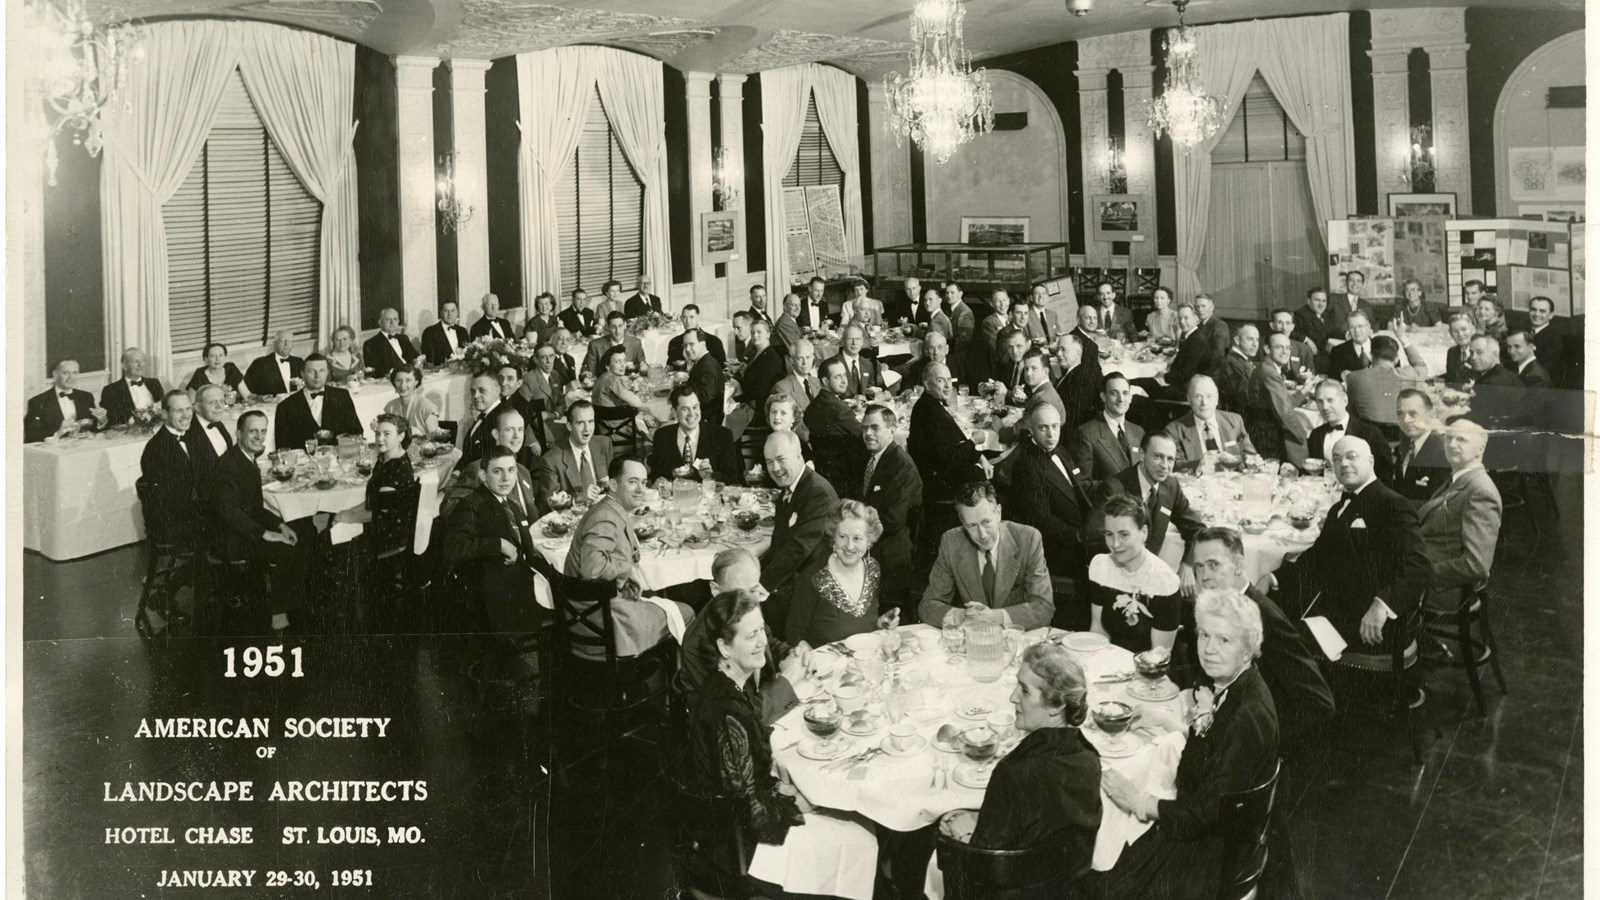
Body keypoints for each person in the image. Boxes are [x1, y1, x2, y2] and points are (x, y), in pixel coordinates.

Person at [1101, 590, 1279, 900]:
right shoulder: (1242, 686)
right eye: (1205, 635)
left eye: (1224, 640)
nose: (1209, 649)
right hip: (1220, 833)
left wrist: (1137, 801)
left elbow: (1204, 813)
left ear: (1248, 649)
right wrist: (1171, 723)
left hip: (1211, 855)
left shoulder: (1245, 716)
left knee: (1103, 881)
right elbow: (1221, 754)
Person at [939, 643, 1100, 869]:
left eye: (1024, 690)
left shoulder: (1015, 771)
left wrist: (964, 830)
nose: (1013, 697)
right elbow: (1037, 824)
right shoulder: (1087, 755)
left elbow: (987, 864)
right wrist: (980, 817)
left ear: (1056, 705)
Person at [1264, 436, 1427, 652]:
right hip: (1337, 609)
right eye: (1337, 459)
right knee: (1262, 620)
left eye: (1352, 457)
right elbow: (1316, 557)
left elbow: (1418, 566)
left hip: (1372, 624)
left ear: (1370, 461)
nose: (1344, 464)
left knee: (1273, 639)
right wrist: (1272, 577)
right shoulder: (1338, 508)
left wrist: (1382, 605)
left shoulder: (1393, 505)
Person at [1186, 528, 1333, 755]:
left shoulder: (1267, 619)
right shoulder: (1216, 610)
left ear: (1239, 565)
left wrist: (1260, 743)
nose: (1204, 576)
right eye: (1198, 566)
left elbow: (1319, 704)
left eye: (1214, 564)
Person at [565, 457, 694, 656]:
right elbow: (593, 569)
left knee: (659, 602)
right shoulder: (605, 516)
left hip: (592, 613)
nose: (641, 489)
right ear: (613, 485)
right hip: (601, 621)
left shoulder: (612, 509)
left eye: (643, 482)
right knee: (686, 613)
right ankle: (673, 682)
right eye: (633, 482)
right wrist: (628, 569)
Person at [675, 550, 808, 725]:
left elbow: (770, 645)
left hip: (764, 708)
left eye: (753, 591)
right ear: (715, 590)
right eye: (737, 593)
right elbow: (738, 716)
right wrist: (786, 683)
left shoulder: (748, 609)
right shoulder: (699, 644)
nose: (747, 603)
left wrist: (792, 656)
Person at [212, 410, 315, 633]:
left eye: (263, 431)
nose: (259, 437)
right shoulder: (228, 465)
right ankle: (279, 615)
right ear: (238, 434)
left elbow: (256, 509)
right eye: (253, 431)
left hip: (244, 527)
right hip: (232, 537)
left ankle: (296, 604)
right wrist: (265, 533)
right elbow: (229, 512)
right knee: (288, 550)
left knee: (304, 532)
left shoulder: (247, 459)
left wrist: (280, 525)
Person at [918, 481, 1054, 630]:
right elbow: (928, 605)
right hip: (972, 641)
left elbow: (1044, 607)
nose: (982, 534)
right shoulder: (951, 541)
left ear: (998, 513)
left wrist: (996, 617)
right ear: (962, 523)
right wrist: (960, 616)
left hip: (1015, 639)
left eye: (986, 522)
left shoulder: (1028, 539)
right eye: (972, 526)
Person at [442, 444, 544, 637]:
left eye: (511, 470)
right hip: (494, 597)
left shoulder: (510, 503)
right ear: (482, 475)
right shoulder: (471, 505)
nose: (506, 478)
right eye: (497, 471)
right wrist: (498, 544)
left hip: (512, 583)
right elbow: (453, 549)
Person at [1005, 403, 1094, 625]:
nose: (1051, 433)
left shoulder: (1061, 451)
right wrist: (1079, 537)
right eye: (1043, 428)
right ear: (1031, 429)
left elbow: (1078, 491)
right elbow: (1041, 521)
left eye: (1055, 426)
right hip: (1056, 547)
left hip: (1079, 534)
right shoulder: (1026, 466)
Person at [1416, 421, 1501, 615]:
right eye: (1449, 437)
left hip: (1439, 591)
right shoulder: (1461, 479)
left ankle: (1410, 643)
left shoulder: (1480, 491)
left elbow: (1476, 565)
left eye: (1461, 439)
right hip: (1422, 573)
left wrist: (1420, 575)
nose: (1452, 444)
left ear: (1480, 448)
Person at [784, 501, 894, 646]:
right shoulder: (813, 579)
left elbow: (861, 624)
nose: (849, 546)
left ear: (869, 541)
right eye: (842, 536)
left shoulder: (873, 569)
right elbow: (793, 636)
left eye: (857, 538)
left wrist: (879, 624)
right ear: (833, 537)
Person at [1086, 494, 1181, 653]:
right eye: (1109, 534)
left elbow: (1159, 656)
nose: (1115, 544)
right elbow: (1098, 629)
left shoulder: (1164, 581)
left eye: (1124, 534)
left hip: (1148, 670)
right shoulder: (1099, 566)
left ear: (1143, 532)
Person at [757, 431, 838, 615]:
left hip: (812, 589)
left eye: (780, 459)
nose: (775, 468)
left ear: (798, 455)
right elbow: (780, 545)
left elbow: (799, 547)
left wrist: (762, 585)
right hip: (794, 578)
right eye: (769, 462)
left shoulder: (817, 493)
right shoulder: (792, 487)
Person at [856, 404, 922, 617]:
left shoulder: (901, 466)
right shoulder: (874, 457)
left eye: (875, 428)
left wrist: (857, 535)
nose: (867, 433)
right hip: (874, 541)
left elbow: (893, 520)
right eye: (865, 428)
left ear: (892, 431)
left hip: (889, 552)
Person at [906, 364, 986, 519]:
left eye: (949, 380)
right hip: (938, 483)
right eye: (941, 381)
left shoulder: (930, 404)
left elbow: (956, 439)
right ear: (927, 385)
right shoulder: (929, 412)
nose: (948, 385)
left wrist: (979, 457)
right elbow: (948, 460)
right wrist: (974, 441)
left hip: (940, 472)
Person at [331, 413, 418, 552]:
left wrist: (348, 517)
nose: (380, 439)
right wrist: (346, 513)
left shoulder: (396, 467)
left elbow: (380, 514)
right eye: (377, 434)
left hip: (387, 536)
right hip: (382, 526)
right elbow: (374, 501)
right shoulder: (385, 459)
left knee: (328, 543)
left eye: (387, 434)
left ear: (401, 436)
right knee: (332, 527)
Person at [1110, 431, 1205, 557]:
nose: (1164, 466)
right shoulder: (1115, 488)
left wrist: (1187, 565)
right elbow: (1095, 539)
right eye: (1158, 457)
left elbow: (1197, 529)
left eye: (1170, 459)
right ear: (1142, 455)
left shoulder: (1171, 486)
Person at [140, 390, 205, 554]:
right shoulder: (156, 449)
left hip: (191, 513)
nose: (186, 415)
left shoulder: (192, 437)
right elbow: (169, 500)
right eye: (179, 410)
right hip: (173, 523)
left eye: (188, 409)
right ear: (164, 413)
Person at [1162, 375, 1257, 471]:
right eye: (1198, 397)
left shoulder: (1235, 421)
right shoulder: (1174, 430)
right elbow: (1173, 464)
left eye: (1209, 396)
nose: (1204, 403)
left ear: (1217, 399)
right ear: (1189, 400)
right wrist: (1198, 464)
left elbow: (1250, 454)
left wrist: (1248, 461)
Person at [1306, 379, 1393, 483]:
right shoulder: (1316, 434)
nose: (1325, 407)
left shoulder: (1369, 433)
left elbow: (1384, 476)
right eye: (1320, 401)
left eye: (1330, 400)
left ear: (1345, 400)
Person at [1245, 332, 1312, 468]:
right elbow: (1285, 412)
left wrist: (1304, 390)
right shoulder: (1270, 373)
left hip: (1262, 430)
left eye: (1288, 348)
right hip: (1268, 435)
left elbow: (1283, 402)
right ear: (1267, 349)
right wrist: (1303, 436)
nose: (1285, 351)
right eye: (1279, 347)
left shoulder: (1267, 368)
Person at [649, 386, 740, 484]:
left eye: (695, 407)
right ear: (674, 412)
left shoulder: (722, 435)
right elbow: (656, 475)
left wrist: (711, 476)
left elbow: (732, 477)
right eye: (685, 409)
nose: (692, 414)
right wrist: (672, 475)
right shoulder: (662, 436)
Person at [274, 354, 363, 451]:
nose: (317, 376)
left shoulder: (342, 396)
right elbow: (282, 449)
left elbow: (357, 432)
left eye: (322, 370)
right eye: (311, 371)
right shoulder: (285, 407)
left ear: (328, 372)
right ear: (302, 374)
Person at [803, 356, 866, 490]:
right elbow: (864, 434)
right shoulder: (839, 409)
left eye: (844, 375)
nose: (844, 381)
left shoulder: (812, 406)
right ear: (825, 381)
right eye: (837, 377)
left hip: (823, 471)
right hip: (847, 475)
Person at [1346, 335, 1428, 432]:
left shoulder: (1353, 377)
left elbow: (1351, 412)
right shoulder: (1410, 374)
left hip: (1369, 435)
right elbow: (1420, 365)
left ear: (1371, 356)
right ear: (1397, 358)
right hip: (1403, 434)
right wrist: (1404, 339)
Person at [539, 399, 612, 507]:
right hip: (572, 517)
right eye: (580, 423)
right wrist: (578, 498)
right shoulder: (551, 460)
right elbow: (549, 501)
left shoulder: (604, 444)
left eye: (590, 421)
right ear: (569, 426)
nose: (587, 429)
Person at [1073, 372, 1144, 480]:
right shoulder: (1086, 434)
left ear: (1130, 397)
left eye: (1125, 393)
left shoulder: (1138, 431)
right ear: (1103, 396)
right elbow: (1083, 484)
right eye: (1114, 393)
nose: (1121, 399)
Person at [1139, 304, 1211, 402]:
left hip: (1187, 390)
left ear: (1196, 319)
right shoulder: (1188, 336)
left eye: (1186, 318)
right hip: (1180, 383)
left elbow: (1185, 374)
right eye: (1180, 318)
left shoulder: (1198, 341)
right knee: (1141, 381)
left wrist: (1164, 376)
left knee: (1140, 389)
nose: (1182, 322)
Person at [993, 348, 1065, 444]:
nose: (1028, 373)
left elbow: (1020, 431)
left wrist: (1001, 429)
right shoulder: (1046, 390)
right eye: (1026, 369)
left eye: (1034, 368)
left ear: (1046, 372)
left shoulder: (1041, 397)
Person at [1392, 388, 1451, 503]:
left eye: (1413, 413)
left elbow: (1442, 504)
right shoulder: (1406, 444)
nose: (1405, 420)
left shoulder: (1442, 452)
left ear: (1431, 414)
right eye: (1400, 413)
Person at [99, 348, 163, 426]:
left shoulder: (154, 383)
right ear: (124, 365)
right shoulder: (111, 390)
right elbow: (111, 420)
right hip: (131, 434)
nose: (140, 365)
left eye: (142, 361)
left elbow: (164, 407)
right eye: (136, 361)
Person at [770, 339, 820, 438]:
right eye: (800, 358)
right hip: (801, 438)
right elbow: (791, 425)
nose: (805, 362)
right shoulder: (782, 388)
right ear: (792, 360)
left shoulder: (816, 382)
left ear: (813, 358)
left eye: (808, 357)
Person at [1053, 334, 1102, 433]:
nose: (1058, 354)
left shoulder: (1081, 378)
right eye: (1057, 349)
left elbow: (1074, 417)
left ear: (1078, 353)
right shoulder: (1070, 373)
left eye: (1063, 349)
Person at [738, 320, 786, 416]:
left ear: (768, 334)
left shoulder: (771, 358)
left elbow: (760, 391)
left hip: (758, 407)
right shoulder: (756, 352)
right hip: (751, 399)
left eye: (759, 332)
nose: (755, 335)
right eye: (752, 332)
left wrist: (736, 399)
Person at [592, 344, 649, 419]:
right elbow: (637, 403)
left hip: (603, 425)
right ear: (607, 366)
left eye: (624, 360)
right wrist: (636, 388)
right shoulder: (613, 381)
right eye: (617, 362)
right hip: (617, 427)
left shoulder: (601, 378)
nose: (623, 365)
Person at [383, 364, 440, 438]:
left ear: (416, 382)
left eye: (408, 380)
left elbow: (435, 439)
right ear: (394, 383)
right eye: (399, 380)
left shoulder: (427, 407)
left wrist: (418, 433)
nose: (403, 385)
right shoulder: (390, 407)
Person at [1525, 295, 1570, 388]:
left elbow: (1541, 369)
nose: (1536, 314)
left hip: (1541, 386)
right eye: (1533, 309)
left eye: (1542, 311)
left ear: (1550, 315)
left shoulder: (1554, 339)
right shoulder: (1524, 330)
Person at [185, 384, 234, 466]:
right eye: (212, 402)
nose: (219, 406)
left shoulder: (216, 421)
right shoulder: (189, 432)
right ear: (198, 407)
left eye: (221, 401)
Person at [585, 311, 646, 378]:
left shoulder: (636, 343)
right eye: (613, 327)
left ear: (625, 325)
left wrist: (644, 368)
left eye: (620, 326)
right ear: (608, 327)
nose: (618, 331)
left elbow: (643, 368)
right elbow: (589, 374)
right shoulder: (595, 345)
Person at [830, 324, 885, 397]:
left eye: (857, 339)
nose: (854, 343)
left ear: (862, 341)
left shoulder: (867, 365)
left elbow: (870, 391)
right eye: (850, 339)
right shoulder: (832, 365)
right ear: (843, 341)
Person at [458, 372, 504, 460]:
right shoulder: (485, 414)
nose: (475, 396)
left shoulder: (502, 418)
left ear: (497, 391)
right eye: (473, 391)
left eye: (482, 390)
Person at [362, 307, 419, 378]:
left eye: (395, 319)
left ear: (398, 321)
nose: (392, 322)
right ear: (380, 322)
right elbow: (372, 371)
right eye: (388, 319)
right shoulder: (370, 343)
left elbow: (414, 358)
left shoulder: (403, 338)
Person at [243, 331, 304, 396]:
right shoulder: (260, 364)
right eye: (282, 341)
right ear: (274, 344)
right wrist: (260, 398)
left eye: (289, 341)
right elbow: (246, 390)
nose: (286, 344)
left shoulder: (299, 362)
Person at [968, 290, 1009, 384]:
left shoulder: (1013, 319)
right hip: (998, 369)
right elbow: (996, 347)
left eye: (1004, 300)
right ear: (992, 304)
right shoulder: (989, 322)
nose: (1002, 304)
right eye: (998, 301)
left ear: (1009, 301)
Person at [1215, 324, 1258, 413]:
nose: (1255, 344)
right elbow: (1245, 396)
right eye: (1250, 339)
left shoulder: (1242, 361)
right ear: (1237, 340)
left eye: (1257, 339)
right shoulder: (1233, 363)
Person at [1326, 310, 1377, 383]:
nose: (1357, 331)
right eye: (1352, 327)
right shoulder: (1338, 351)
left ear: (1368, 326)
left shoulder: (1382, 346)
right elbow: (1333, 382)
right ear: (1348, 329)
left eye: (1360, 326)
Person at [1266, 308, 1318, 376]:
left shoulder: (1304, 349)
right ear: (1272, 325)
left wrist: (1305, 377)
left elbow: (1312, 375)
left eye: (1287, 323)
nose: (1284, 327)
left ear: (1292, 327)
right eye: (1279, 323)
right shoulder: (1263, 347)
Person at [1292, 287, 1336, 362]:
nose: (1321, 304)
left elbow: (1332, 330)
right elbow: (1291, 332)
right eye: (1317, 300)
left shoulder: (1325, 315)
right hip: (1314, 358)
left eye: (1324, 301)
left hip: (1325, 353)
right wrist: (1306, 339)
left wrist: (1347, 334)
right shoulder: (1301, 314)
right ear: (1309, 301)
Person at [900, 330, 949, 396]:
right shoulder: (917, 367)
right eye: (932, 348)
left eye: (940, 347)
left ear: (946, 349)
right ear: (926, 351)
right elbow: (906, 386)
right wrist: (908, 391)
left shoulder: (960, 365)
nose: (936, 352)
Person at [944, 281, 976, 380]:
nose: (949, 295)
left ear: (960, 294)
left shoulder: (965, 312)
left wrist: (948, 353)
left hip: (959, 357)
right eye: (947, 293)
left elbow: (964, 339)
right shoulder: (951, 308)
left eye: (952, 293)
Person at [1329, 269, 1377, 335]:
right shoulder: (1334, 300)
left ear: (1362, 284)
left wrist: (1371, 330)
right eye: (1351, 280)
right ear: (1346, 282)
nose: (1355, 284)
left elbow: (1374, 323)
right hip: (1339, 340)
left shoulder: (1366, 305)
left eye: (1358, 281)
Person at [991, 328, 1032, 397]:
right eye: (1010, 347)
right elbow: (1000, 386)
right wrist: (989, 389)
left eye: (1019, 346)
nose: (1014, 351)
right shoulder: (1007, 362)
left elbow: (1032, 400)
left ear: (1028, 345)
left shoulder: (1034, 365)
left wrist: (1007, 393)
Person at [1193, 294, 1230, 368]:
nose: (1200, 309)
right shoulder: (1198, 326)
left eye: (1203, 306)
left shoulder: (1220, 325)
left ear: (1211, 308)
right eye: (1197, 307)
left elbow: (1218, 355)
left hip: (1213, 371)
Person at [1443, 312, 1477, 386]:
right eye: (1455, 331)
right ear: (1451, 333)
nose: (1460, 334)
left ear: (1473, 329)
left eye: (1464, 329)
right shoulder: (1452, 352)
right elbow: (1451, 377)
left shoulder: (1481, 352)